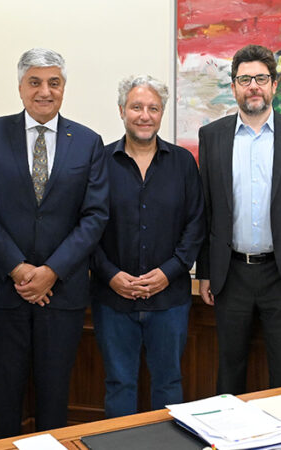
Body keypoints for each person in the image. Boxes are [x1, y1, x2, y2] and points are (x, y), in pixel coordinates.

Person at [0, 48, 109, 438]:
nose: (44, 91)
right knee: (4, 394)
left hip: (62, 292)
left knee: (54, 395)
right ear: (20, 87)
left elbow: (95, 216)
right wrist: (17, 267)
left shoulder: (87, 141)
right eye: (35, 82)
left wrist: (51, 271)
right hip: (5, 291)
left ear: (64, 88)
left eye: (53, 83)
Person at [196, 44, 281, 394]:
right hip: (230, 273)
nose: (253, 86)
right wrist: (205, 271)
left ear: (274, 85)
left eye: (261, 79)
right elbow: (206, 210)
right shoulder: (212, 136)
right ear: (233, 87)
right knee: (229, 367)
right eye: (245, 79)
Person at [91, 75, 205, 417]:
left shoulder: (183, 162)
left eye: (153, 108)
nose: (145, 115)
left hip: (169, 300)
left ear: (161, 113)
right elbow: (86, 226)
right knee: (118, 384)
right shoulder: (99, 162)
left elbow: (196, 225)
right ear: (121, 110)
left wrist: (168, 273)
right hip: (112, 299)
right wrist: (110, 275)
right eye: (136, 107)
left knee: (169, 383)